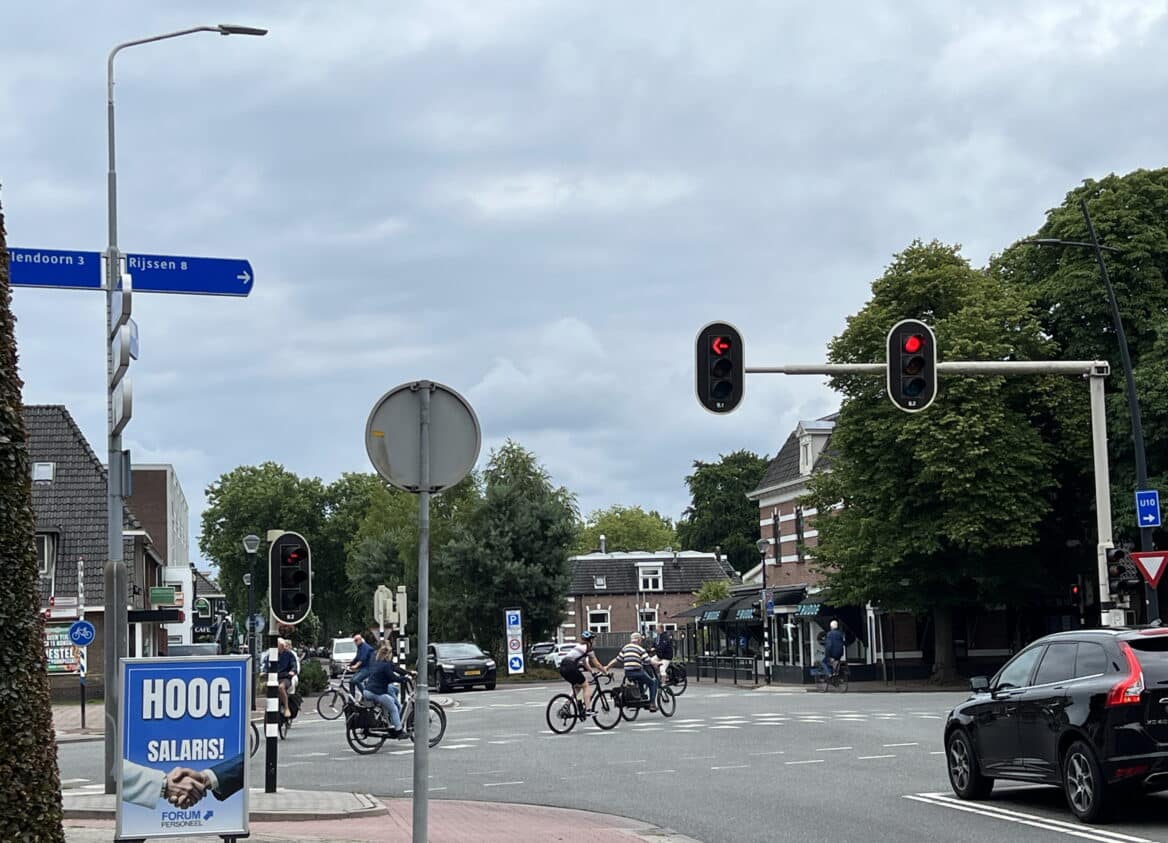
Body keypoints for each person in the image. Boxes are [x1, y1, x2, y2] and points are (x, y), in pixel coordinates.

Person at [362, 642, 410, 736]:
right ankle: (399, 731)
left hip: (367, 690)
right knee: (394, 708)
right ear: (388, 655)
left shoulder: (378, 662)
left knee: (390, 699)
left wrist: (408, 673)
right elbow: (393, 678)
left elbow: (395, 669)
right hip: (376, 692)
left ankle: (390, 724)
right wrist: (405, 679)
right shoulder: (385, 666)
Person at [607, 632, 658, 712]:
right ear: (638, 640)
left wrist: (607, 667)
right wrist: (657, 663)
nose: (640, 641)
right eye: (640, 640)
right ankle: (652, 704)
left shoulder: (625, 648)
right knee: (653, 683)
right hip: (638, 672)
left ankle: (640, 696)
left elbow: (617, 660)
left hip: (628, 673)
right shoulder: (640, 649)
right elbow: (648, 660)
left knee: (640, 681)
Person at [558, 631, 607, 714]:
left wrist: (592, 671)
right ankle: (588, 709)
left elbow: (585, 663)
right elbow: (597, 664)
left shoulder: (579, 646)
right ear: (590, 640)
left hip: (563, 667)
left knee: (578, 686)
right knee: (585, 685)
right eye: (593, 640)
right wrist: (606, 672)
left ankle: (567, 705)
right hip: (571, 667)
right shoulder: (588, 648)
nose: (594, 642)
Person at [275, 637, 298, 718]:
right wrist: (263, 671)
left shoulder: (289, 654)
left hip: (285, 677)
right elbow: (267, 664)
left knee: (281, 687)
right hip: (274, 677)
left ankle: (286, 707)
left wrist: (292, 671)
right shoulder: (272, 654)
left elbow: (294, 664)